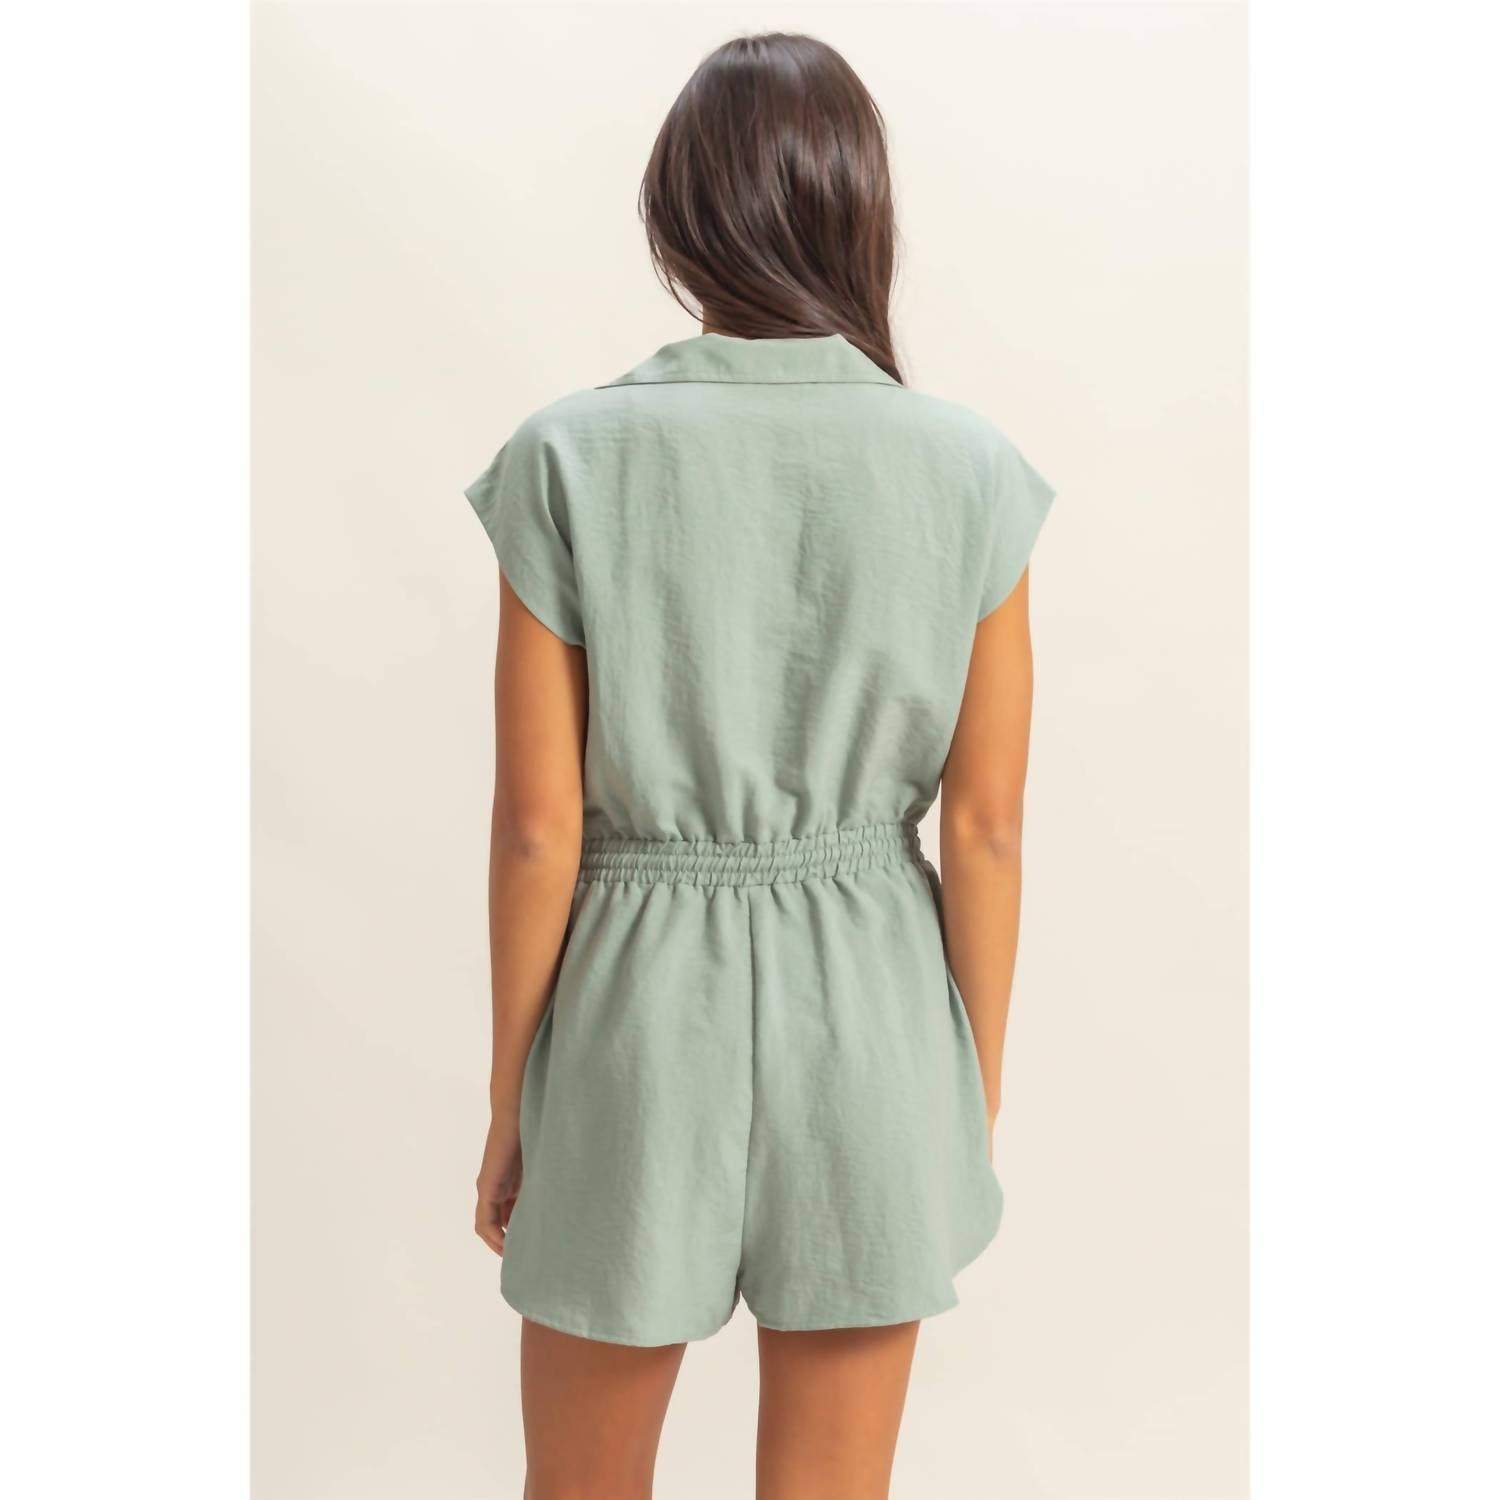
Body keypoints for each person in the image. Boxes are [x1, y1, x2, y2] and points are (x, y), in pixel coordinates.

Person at [465, 32, 1054, 1500]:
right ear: (862, 211)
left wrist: (512, 1094)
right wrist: (967, 1086)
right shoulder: (970, 470)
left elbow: (539, 829)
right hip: (875, 1011)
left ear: (679, 217)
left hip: (632, 1010)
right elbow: (985, 828)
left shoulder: (570, 457)